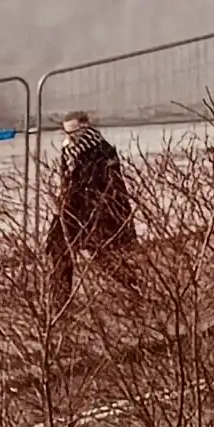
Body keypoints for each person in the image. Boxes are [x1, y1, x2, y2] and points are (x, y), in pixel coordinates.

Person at [50, 109, 143, 299]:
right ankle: (59, 302)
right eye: (67, 133)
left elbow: (107, 186)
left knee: (103, 255)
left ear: (84, 128)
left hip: (96, 212)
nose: (71, 137)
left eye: (74, 132)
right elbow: (68, 181)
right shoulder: (69, 150)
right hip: (73, 210)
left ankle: (136, 288)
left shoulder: (100, 151)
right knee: (59, 248)